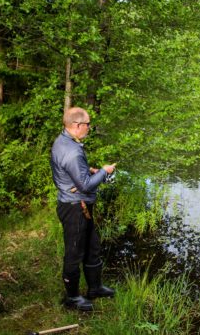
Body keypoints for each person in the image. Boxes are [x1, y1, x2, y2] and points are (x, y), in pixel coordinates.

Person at [50, 106, 116, 311]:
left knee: (92, 247)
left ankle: (94, 288)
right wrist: (104, 172)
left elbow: (74, 172)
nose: (89, 127)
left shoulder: (64, 141)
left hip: (79, 205)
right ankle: (72, 298)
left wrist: (88, 171)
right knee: (74, 253)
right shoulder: (72, 151)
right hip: (75, 208)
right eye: (87, 124)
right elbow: (86, 185)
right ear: (77, 126)